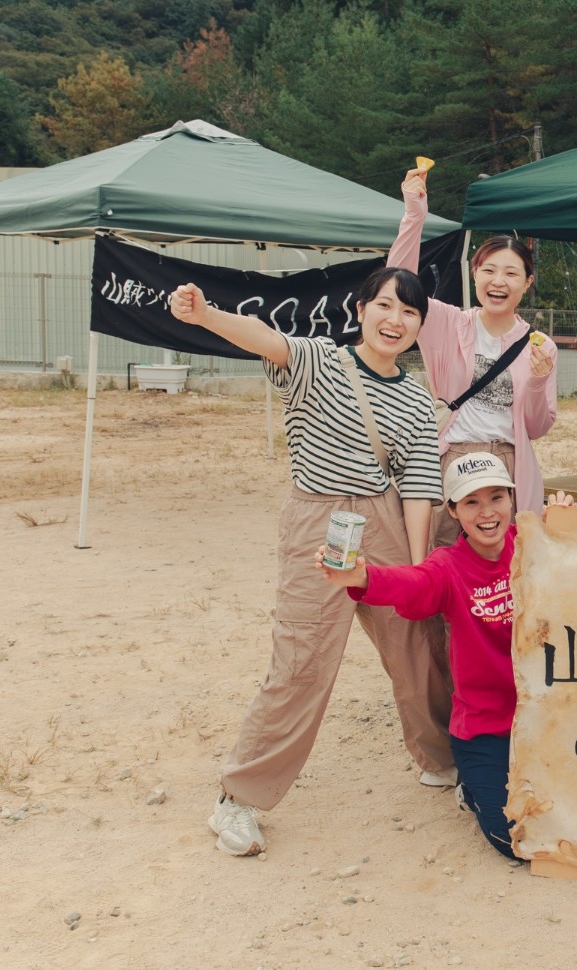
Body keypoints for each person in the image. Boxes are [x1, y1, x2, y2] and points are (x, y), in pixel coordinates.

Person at [170, 267, 454, 857]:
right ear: (361, 309)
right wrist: (205, 315)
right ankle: (239, 797)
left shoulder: (415, 396)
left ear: (420, 325)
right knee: (303, 659)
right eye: (384, 305)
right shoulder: (319, 360)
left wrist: (417, 571)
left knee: (415, 644)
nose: (395, 320)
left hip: (385, 518)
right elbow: (265, 338)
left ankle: (442, 758)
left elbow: (420, 487)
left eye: (409, 312)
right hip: (319, 519)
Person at [318, 454, 573, 861]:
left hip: (547, 718)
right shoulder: (448, 567)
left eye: (496, 497)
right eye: (471, 502)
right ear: (452, 511)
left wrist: (568, 525)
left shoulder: (533, 544)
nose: (487, 513)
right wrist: (363, 577)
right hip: (486, 726)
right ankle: (472, 788)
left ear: (512, 499)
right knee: (516, 841)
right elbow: (412, 584)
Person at [389, 166, 558, 548]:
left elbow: (536, 428)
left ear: (527, 282)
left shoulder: (540, 345)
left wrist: (537, 382)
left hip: (508, 463)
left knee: (503, 560)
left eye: (511, 273)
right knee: (444, 555)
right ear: (474, 272)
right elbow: (399, 286)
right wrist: (414, 214)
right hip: (452, 455)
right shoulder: (447, 322)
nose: (499, 281)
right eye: (489, 270)